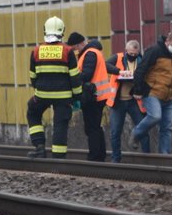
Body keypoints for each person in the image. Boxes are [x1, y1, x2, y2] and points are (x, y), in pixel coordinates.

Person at [26, 17, 82, 158]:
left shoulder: (36, 51)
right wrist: (77, 96)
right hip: (63, 97)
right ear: (62, 31)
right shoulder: (68, 51)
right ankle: (58, 157)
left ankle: (39, 147)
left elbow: (33, 76)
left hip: (42, 95)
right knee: (60, 124)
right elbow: (74, 77)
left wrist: (39, 89)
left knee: (32, 112)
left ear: (45, 31)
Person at [131, 32, 172, 155]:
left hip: (169, 97)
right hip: (153, 92)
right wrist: (138, 89)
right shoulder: (155, 51)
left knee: (167, 128)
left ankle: (165, 155)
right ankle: (136, 133)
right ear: (167, 41)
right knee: (155, 116)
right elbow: (140, 70)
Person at [76, 35, 119, 162]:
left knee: (91, 127)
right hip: (98, 96)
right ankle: (100, 154)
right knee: (96, 126)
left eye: (76, 48)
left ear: (80, 44)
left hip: (93, 96)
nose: (76, 51)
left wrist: (74, 76)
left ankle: (95, 156)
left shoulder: (89, 54)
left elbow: (87, 75)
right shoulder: (94, 52)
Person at [106, 40, 147, 162]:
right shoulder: (118, 58)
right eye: (130, 53)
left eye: (135, 54)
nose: (133, 56)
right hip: (117, 102)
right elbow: (104, 65)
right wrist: (119, 72)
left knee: (143, 130)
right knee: (115, 132)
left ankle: (147, 158)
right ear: (126, 51)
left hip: (134, 101)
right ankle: (116, 159)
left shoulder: (142, 61)